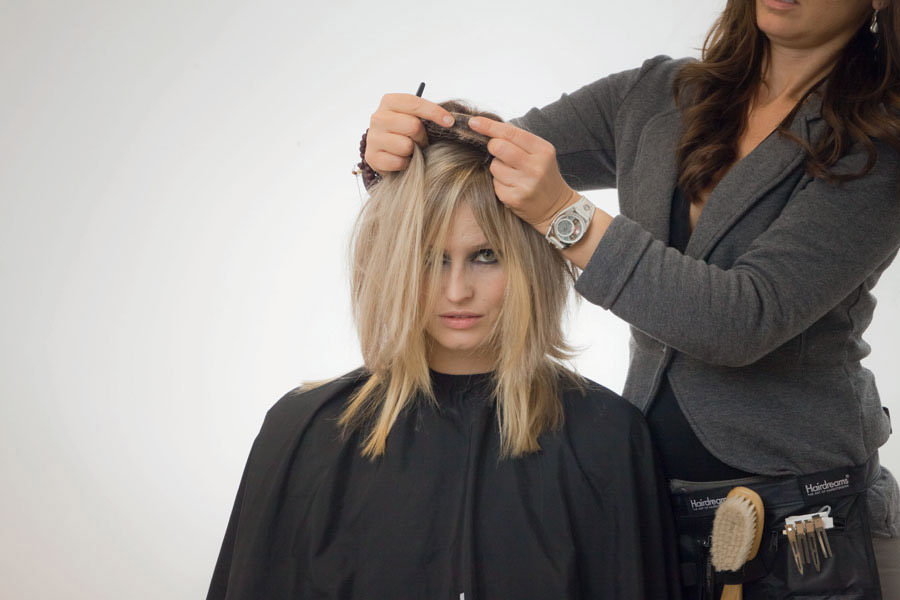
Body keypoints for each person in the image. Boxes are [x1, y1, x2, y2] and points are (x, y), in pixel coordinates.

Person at [360, 1, 900, 597]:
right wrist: (400, 145)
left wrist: (564, 216)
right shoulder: (655, 96)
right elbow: (486, 163)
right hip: (653, 514)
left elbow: (741, 321)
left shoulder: (880, 146)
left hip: (811, 534)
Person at [206, 102, 682, 600]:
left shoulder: (609, 440)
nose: (457, 292)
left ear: (528, 263)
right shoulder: (300, 433)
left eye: (485, 256)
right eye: (430, 258)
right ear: (392, 262)